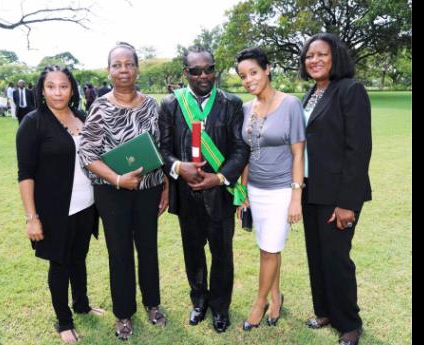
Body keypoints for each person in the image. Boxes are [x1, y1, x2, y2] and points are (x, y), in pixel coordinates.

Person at [79, 42, 169, 341]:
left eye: (128, 64)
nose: (123, 70)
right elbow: (88, 155)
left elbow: (160, 149)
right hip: (112, 193)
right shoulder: (100, 106)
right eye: (116, 65)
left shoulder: (151, 105)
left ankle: (152, 304)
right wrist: (118, 179)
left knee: (148, 249)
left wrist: (165, 185)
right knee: (119, 253)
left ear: (137, 68)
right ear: (109, 71)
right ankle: (123, 314)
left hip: (148, 189)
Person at [158, 45, 249, 333]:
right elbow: (162, 149)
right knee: (193, 253)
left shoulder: (231, 103)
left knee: (223, 254)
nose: (203, 75)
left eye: (209, 69)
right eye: (196, 71)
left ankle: (221, 307)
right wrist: (178, 168)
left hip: (220, 194)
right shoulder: (171, 104)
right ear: (186, 73)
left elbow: (240, 149)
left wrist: (220, 178)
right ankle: (199, 302)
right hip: (187, 195)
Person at [16, 65, 105, 344]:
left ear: (72, 88)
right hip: (55, 210)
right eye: (51, 86)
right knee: (60, 264)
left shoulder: (81, 115)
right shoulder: (34, 122)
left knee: (79, 259)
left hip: (86, 204)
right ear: (41, 90)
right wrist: (32, 217)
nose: (57, 92)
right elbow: (25, 174)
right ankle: (64, 321)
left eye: (63, 86)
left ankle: (81, 304)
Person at [299, 33, 372, 345]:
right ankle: (325, 311)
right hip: (311, 190)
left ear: (335, 57)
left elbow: (359, 150)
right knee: (316, 255)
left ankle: (349, 323)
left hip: (338, 194)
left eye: (322, 55)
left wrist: (347, 203)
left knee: (336, 258)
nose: (314, 60)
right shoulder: (311, 93)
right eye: (309, 56)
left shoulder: (350, 90)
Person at [235, 47, 306, 331]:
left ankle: (260, 302)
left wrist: (296, 197)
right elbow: (246, 154)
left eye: (253, 72)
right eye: (242, 76)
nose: (248, 79)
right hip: (255, 190)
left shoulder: (290, 105)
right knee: (268, 249)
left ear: (267, 69)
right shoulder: (245, 109)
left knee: (269, 250)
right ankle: (276, 297)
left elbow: (299, 155)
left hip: (280, 192)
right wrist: (242, 194)